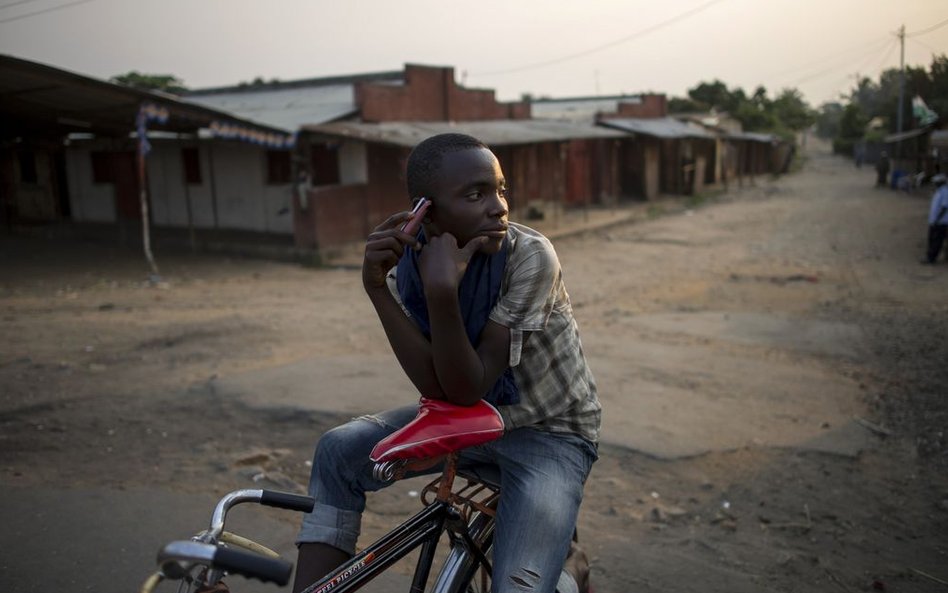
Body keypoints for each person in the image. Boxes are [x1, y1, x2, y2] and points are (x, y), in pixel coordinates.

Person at [293, 133, 601, 593]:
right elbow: (439, 392)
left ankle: (569, 572)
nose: (498, 207)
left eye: (501, 190)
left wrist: (443, 293)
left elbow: (466, 387)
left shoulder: (530, 256)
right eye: (475, 195)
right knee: (338, 450)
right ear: (427, 212)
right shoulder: (408, 270)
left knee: (522, 585)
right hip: (463, 422)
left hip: (548, 432)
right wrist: (378, 290)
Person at [921, 173, 948, 264]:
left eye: (936, 182)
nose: (934, 183)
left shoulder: (945, 192)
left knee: (937, 240)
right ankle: (930, 256)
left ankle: (931, 258)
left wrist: (937, 219)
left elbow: (944, 207)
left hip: (940, 222)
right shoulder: (938, 191)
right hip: (934, 221)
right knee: (932, 239)